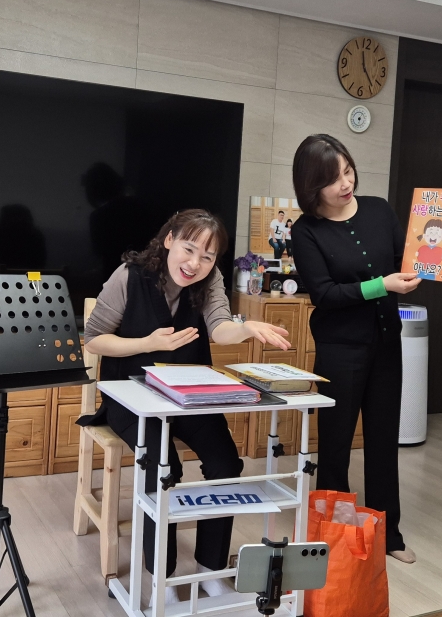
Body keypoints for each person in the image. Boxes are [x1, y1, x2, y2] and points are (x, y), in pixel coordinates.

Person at [83, 209, 290, 603]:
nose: (195, 264)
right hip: (133, 398)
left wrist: (246, 328)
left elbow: (220, 328)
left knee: (226, 464)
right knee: (163, 467)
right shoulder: (129, 276)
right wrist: (147, 344)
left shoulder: (210, 281)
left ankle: (211, 569)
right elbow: (94, 339)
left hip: (189, 396)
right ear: (169, 241)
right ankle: (161, 576)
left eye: (207, 257)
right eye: (189, 249)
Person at [290, 134, 442, 564]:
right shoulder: (306, 231)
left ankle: (388, 534)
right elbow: (325, 295)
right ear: (311, 185)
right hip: (340, 349)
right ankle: (334, 538)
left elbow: (409, 268)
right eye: (333, 178)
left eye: (348, 171)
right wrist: (381, 286)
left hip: (387, 342)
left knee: (382, 441)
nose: (345, 183)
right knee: (335, 445)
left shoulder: (378, 209)